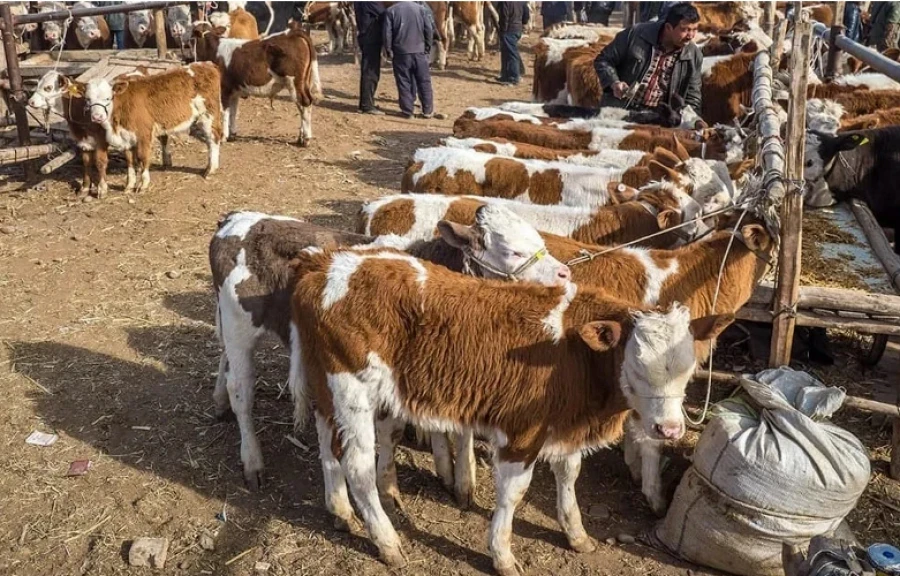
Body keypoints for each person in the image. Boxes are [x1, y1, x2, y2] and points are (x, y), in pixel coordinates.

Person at [594, 2, 702, 113]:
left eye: (694, 29)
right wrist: (614, 83)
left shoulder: (693, 55)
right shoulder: (636, 34)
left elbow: (693, 97)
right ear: (668, 27)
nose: (691, 36)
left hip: (658, 117)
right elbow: (604, 60)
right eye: (685, 29)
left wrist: (693, 119)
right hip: (620, 110)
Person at [384, 1, 438, 119]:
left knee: (404, 81)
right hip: (420, 51)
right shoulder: (421, 9)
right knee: (424, 81)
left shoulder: (391, 11)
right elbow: (428, 29)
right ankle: (427, 110)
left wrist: (388, 50)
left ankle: (407, 111)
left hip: (401, 52)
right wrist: (427, 47)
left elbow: (387, 33)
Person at [354, 2, 386, 115]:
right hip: (370, 38)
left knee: (370, 71)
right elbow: (384, 14)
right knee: (370, 72)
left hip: (366, 37)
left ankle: (367, 102)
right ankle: (367, 105)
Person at [496, 1, 529, 86]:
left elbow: (504, 16)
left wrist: (503, 30)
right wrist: (522, 23)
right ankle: (505, 75)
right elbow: (526, 15)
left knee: (511, 54)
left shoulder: (505, 2)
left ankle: (514, 77)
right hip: (517, 28)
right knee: (507, 52)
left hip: (508, 30)